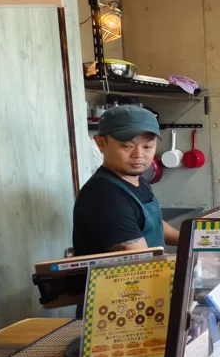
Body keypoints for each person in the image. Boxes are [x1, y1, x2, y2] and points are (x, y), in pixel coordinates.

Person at [73, 105, 180, 255]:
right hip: (128, 276)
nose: (138, 155)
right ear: (101, 143)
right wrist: (199, 261)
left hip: (152, 274)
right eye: (127, 146)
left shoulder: (136, 180)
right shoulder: (104, 196)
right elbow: (142, 257)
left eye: (147, 147)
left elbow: (153, 224)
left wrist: (193, 242)